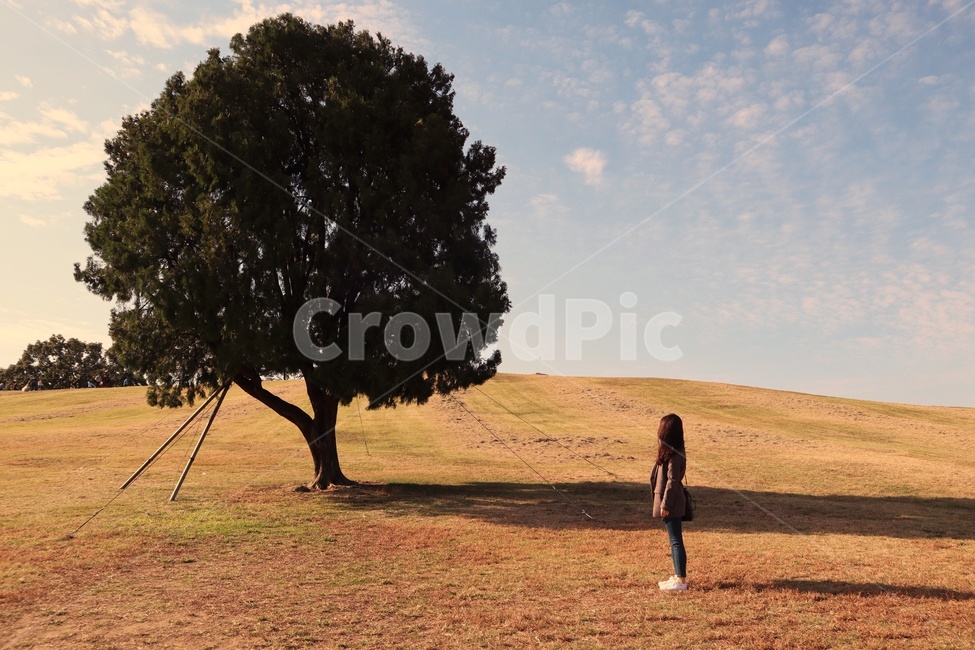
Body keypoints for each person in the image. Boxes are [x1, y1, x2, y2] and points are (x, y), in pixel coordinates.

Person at [651, 413, 688, 591]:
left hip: (671, 503)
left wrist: (665, 505)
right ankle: (677, 576)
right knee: (674, 540)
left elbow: (672, 481)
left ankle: (681, 581)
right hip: (669, 501)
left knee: (676, 541)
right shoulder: (669, 451)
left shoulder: (675, 454)